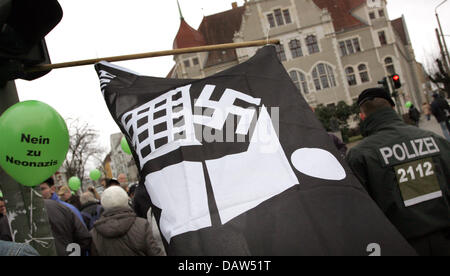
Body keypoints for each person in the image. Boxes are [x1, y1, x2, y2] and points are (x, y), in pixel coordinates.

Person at [346, 87, 450, 256]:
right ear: (393, 109)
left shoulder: (361, 155)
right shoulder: (435, 141)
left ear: (362, 116)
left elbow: (360, 213)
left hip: (399, 246)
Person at [90, 186, 163, 256]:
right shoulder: (142, 225)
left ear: (102, 203)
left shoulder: (94, 234)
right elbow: (155, 253)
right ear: (126, 200)